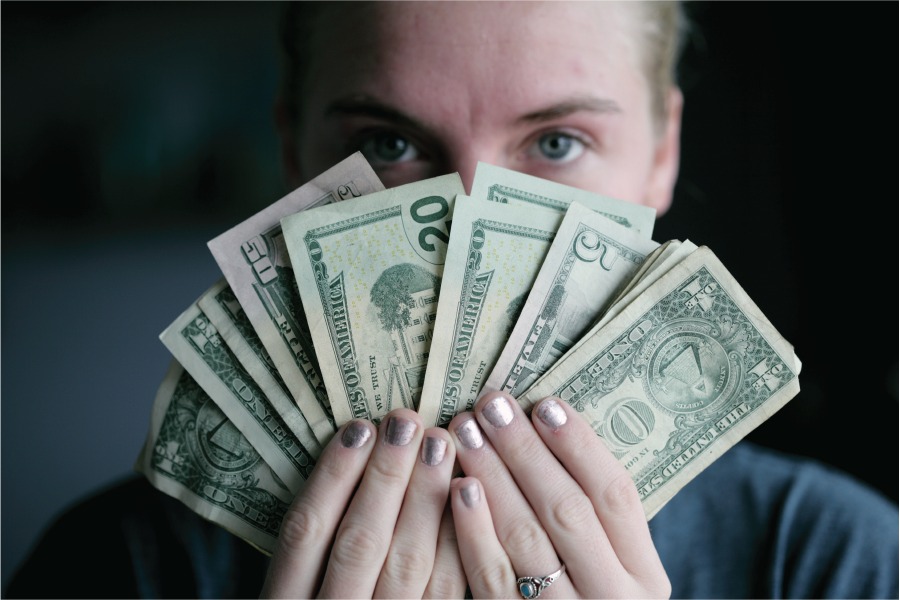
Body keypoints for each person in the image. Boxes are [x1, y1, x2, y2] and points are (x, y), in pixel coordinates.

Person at [6, 2, 897, 599]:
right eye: (389, 140)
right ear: (292, 149)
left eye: (556, 141)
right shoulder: (116, 568)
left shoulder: (841, 563)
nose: (468, 217)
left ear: (663, 153)